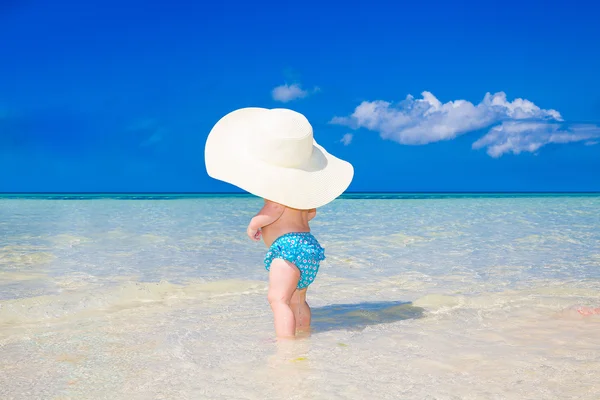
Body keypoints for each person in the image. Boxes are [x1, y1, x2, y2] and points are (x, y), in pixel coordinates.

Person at [204, 107, 354, 338]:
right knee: (298, 299)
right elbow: (310, 214)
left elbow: (273, 209)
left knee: (278, 300)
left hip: (288, 249)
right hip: (309, 249)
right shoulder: (304, 195)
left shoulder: (278, 191)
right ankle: (304, 334)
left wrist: (254, 225)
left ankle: (285, 346)